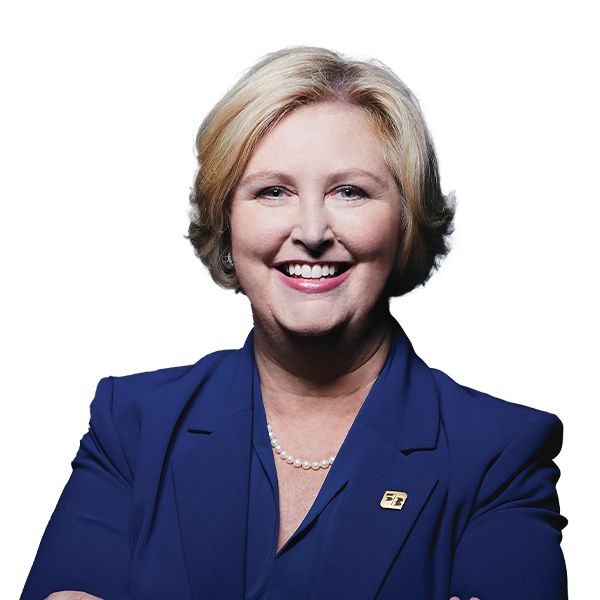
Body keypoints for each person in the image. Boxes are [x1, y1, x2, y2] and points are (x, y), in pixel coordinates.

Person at [21, 46, 567, 600]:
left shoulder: (500, 452)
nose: (311, 231)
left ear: (405, 222)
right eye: (272, 191)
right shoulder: (132, 424)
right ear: (226, 223)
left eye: (350, 191)